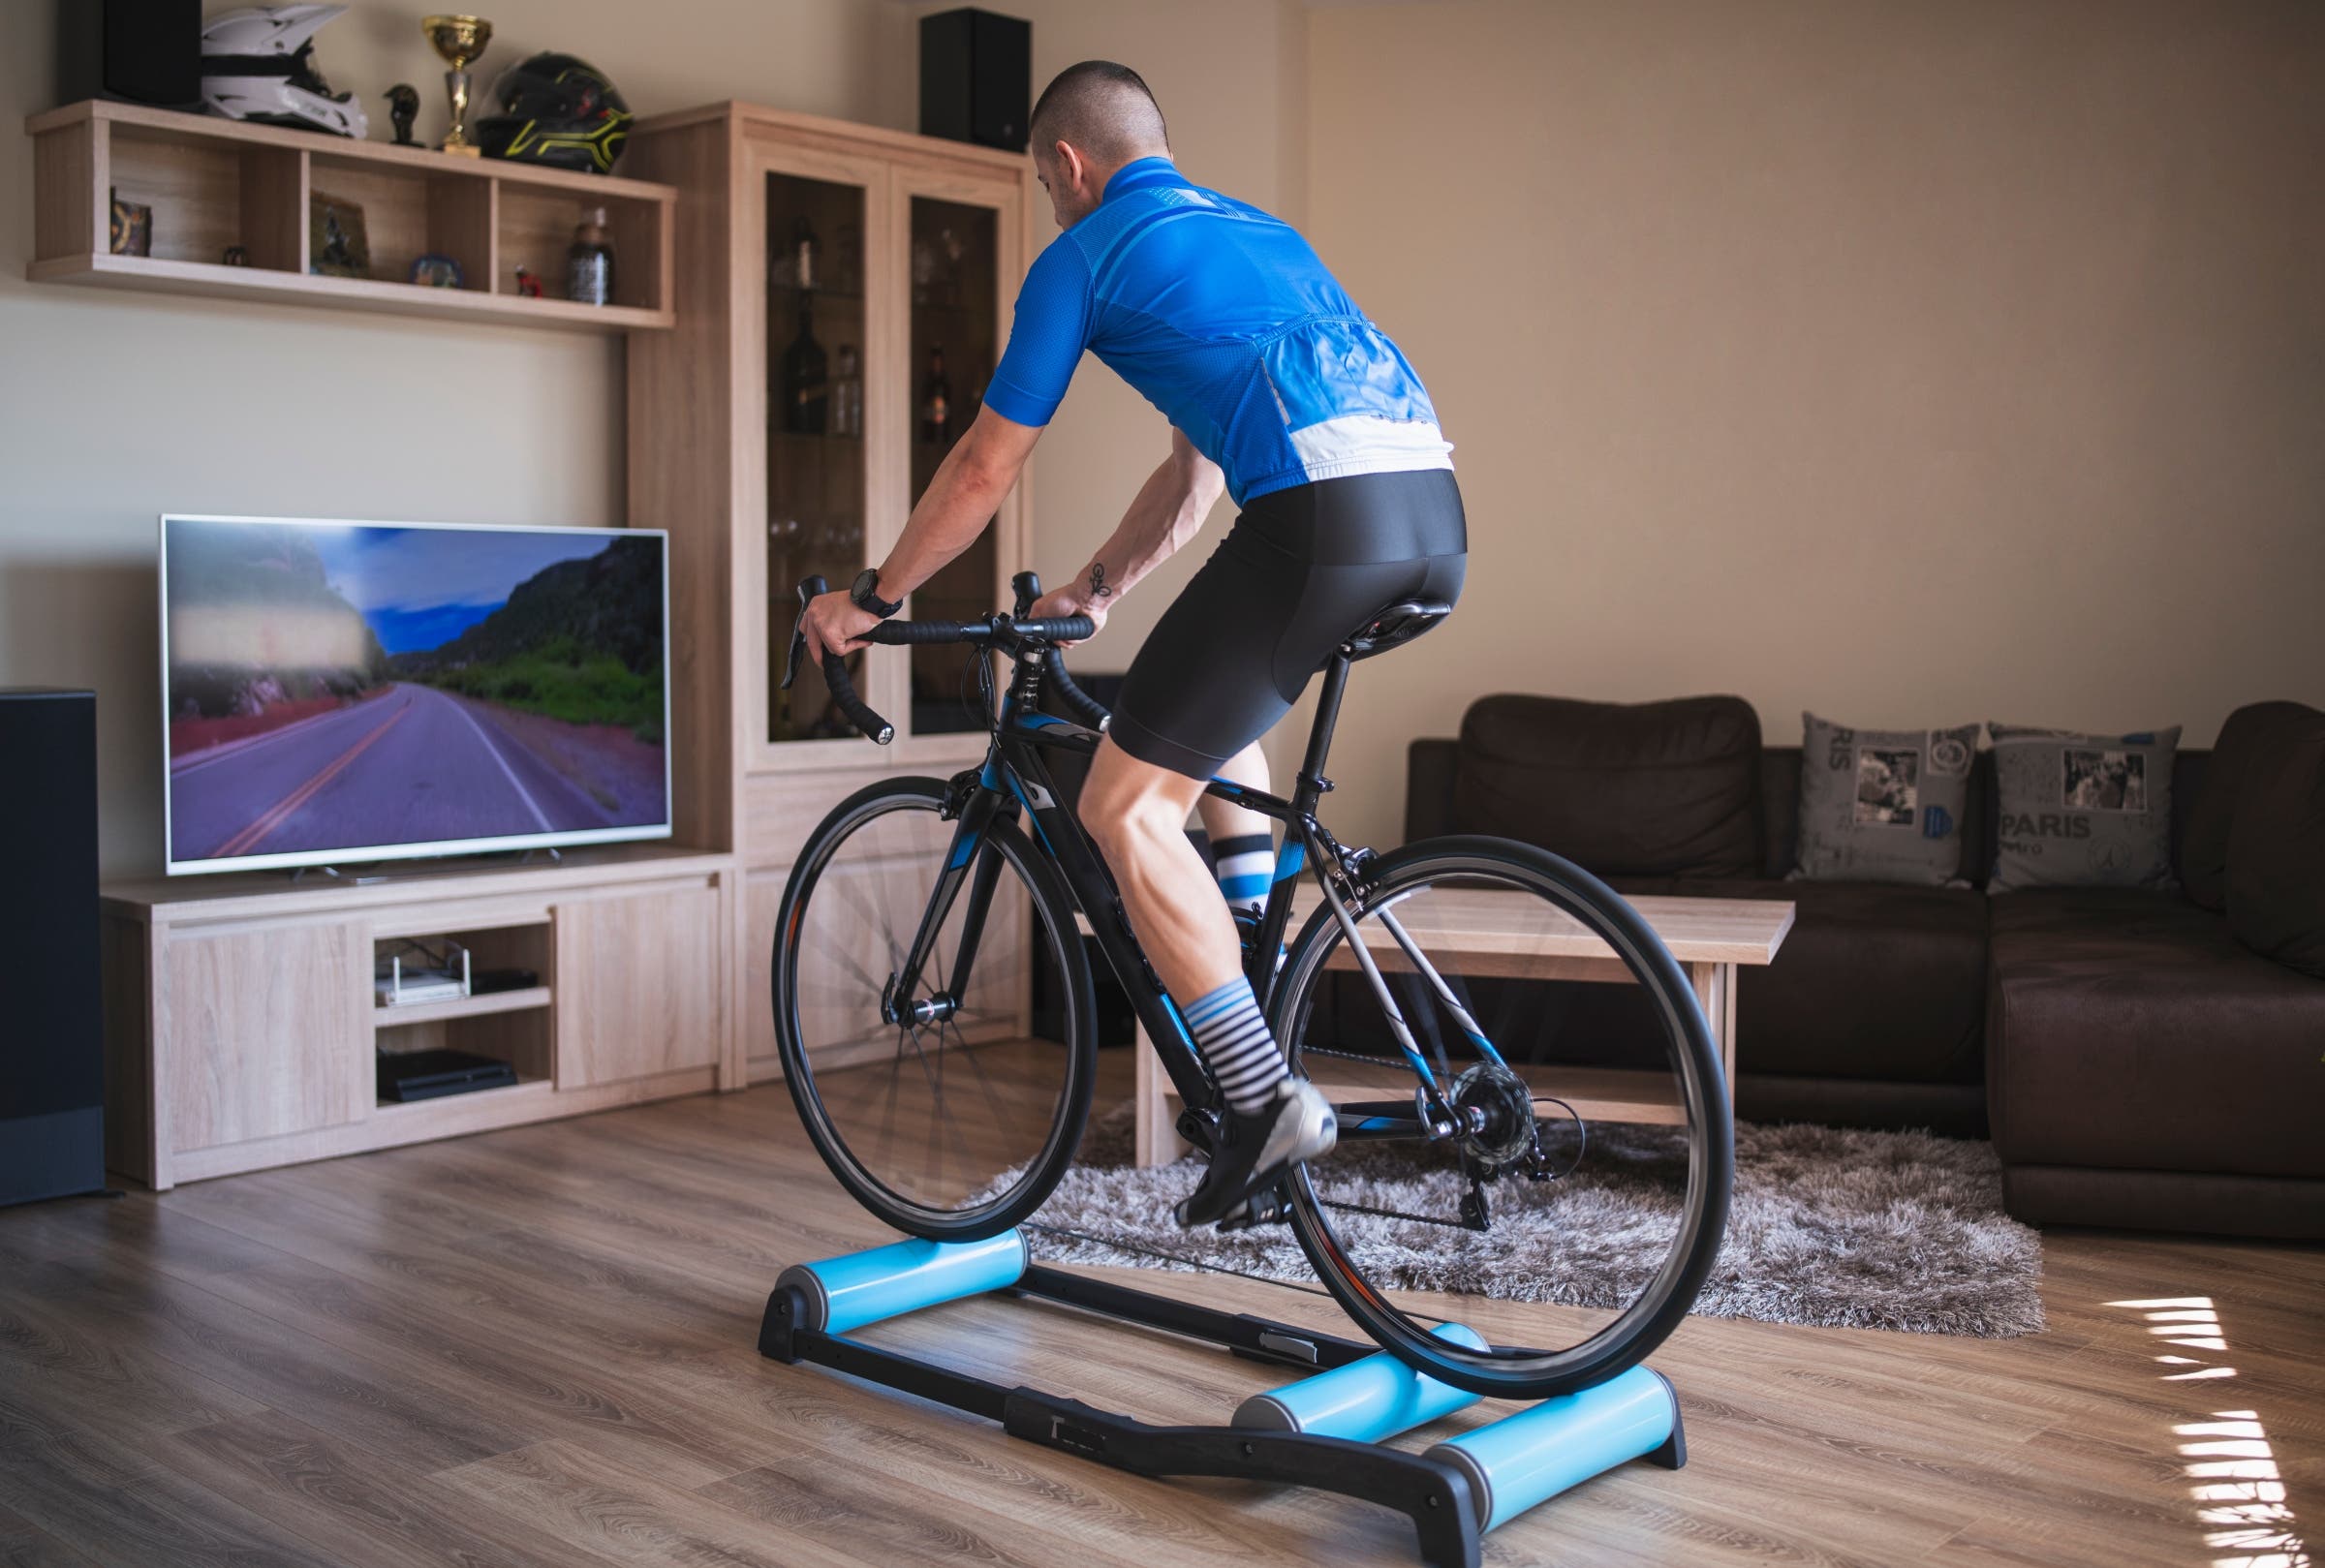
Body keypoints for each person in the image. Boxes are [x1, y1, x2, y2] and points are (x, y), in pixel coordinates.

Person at [799, 61, 1467, 1226]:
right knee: (1205, 722)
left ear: (1068, 165)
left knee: (1122, 806)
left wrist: (874, 595)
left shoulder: (1084, 257)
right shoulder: (1256, 231)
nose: (1051, 203)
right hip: (1431, 522)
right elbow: (1193, 476)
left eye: (1043, 183)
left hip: (1321, 520)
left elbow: (985, 465)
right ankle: (1247, 952)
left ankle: (1259, 1100)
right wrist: (1097, 589)